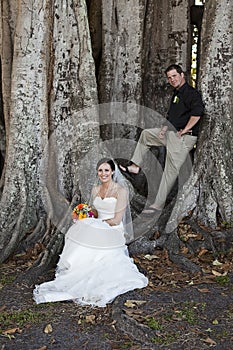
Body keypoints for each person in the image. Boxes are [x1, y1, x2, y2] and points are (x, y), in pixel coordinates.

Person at [33, 158, 148, 307]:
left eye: (106, 170)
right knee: (79, 232)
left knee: (90, 234)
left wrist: (95, 224)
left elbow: (116, 219)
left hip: (113, 228)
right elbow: (95, 211)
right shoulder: (95, 190)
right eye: (100, 170)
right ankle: (76, 272)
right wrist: (83, 214)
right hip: (97, 224)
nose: (103, 173)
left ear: (113, 171)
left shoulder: (121, 191)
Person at [120, 64, 204, 214]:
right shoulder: (176, 94)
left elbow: (197, 113)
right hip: (171, 134)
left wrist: (184, 131)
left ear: (182, 75)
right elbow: (172, 115)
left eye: (174, 76)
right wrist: (164, 129)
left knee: (169, 171)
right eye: (169, 77)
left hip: (184, 138)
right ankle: (135, 166)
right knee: (146, 134)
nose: (172, 79)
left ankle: (158, 205)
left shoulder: (192, 94)